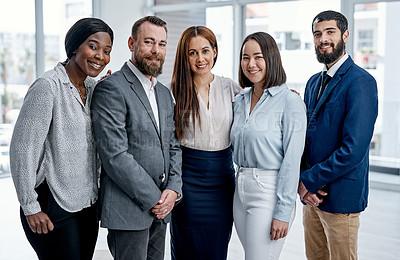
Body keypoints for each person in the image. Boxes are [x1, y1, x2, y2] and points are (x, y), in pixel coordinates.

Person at [9, 18, 113, 260]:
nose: (100, 56)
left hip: (86, 204)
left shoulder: (92, 88)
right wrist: (30, 206)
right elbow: (22, 149)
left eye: (107, 51)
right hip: (52, 203)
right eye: (93, 46)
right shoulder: (48, 87)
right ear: (74, 47)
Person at [90, 16, 182, 260]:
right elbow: (115, 155)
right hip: (128, 211)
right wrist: (155, 199)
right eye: (149, 42)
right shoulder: (111, 88)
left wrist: (173, 189)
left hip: (162, 210)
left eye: (161, 44)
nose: (156, 51)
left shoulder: (163, 93)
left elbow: (173, 145)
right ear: (132, 43)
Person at [298, 10, 378, 260]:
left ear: (345, 35)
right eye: (317, 34)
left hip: (341, 199)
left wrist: (308, 180)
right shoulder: (312, 82)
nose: (323, 39)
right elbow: (305, 137)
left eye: (330, 32)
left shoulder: (361, 82)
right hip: (310, 199)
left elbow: (353, 150)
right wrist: (304, 184)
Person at [230, 32, 307, 260]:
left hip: (269, 191)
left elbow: (292, 160)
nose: (250, 64)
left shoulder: (290, 102)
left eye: (258, 57)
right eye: (245, 57)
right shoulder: (239, 100)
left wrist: (283, 211)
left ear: (271, 58)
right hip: (240, 187)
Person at [169, 26, 242, 260]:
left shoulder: (230, 87)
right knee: (186, 248)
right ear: (184, 56)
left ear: (215, 51)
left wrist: (284, 95)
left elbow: (259, 106)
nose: (200, 58)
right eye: (192, 53)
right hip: (187, 182)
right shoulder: (173, 91)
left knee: (216, 250)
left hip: (222, 182)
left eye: (205, 51)